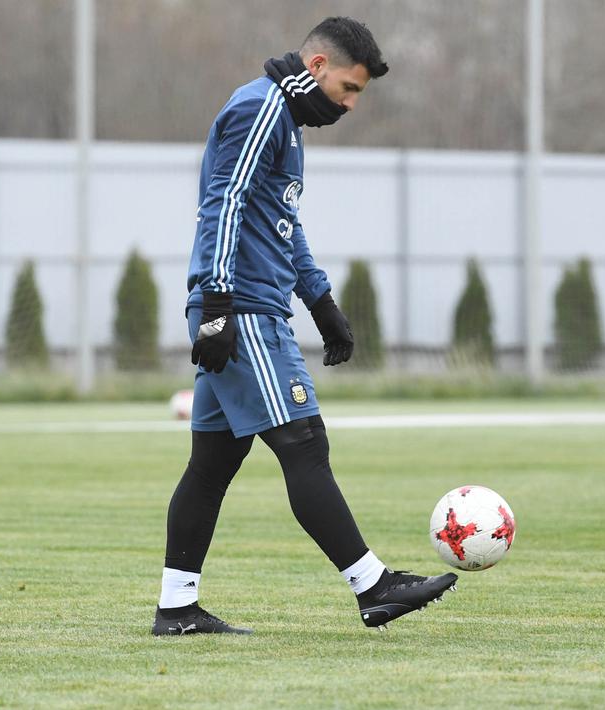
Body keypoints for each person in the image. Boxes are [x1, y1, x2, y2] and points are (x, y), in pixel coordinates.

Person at [153, 16, 457, 637]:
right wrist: (217, 302)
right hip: (243, 310)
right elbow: (224, 204)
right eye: (348, 89)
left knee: (212, 464)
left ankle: (177, 608)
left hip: (248, 305)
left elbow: (280, 223)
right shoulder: (261, 109)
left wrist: (320, 301)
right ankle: (373, 586)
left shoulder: (286, 124)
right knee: (304, 443)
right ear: (316, 67)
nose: (349, 105)